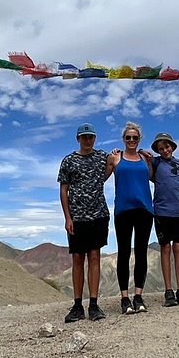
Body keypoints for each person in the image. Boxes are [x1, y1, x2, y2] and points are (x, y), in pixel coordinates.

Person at [58, 123, 117, 323]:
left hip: (98, 214)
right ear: (78, 139)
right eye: (84, 137)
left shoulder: (101, 157)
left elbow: (112, 165)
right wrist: (67, 217)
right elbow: (63, 190)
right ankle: (76, 305)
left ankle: (93, 304)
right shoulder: (68, 161)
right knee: (77, 260)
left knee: (94, 257)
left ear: (95, 138)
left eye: (91, 137)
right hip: (77, 218)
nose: (88, 140)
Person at [110, 122, 154, 314]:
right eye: (128, 137)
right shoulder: (115, 158)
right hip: (123, 210)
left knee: (142, 252)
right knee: (124, 252)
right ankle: (124, 298)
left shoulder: (145, 159)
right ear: (123, 139)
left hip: (144, 209)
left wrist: (150, 159)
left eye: (135, 137)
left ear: (139, 139)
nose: (131, 141)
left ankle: (138, 295)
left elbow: (151, 177)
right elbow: (102, 177)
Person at [148, 132, 179, 307]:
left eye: (167, 146)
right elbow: (142, 162)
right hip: (161, 212)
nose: (165, 150)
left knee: (178, 247)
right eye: (161, 148)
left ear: (173, 147)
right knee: (165, 248)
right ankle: (168, 291)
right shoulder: (155, 162)